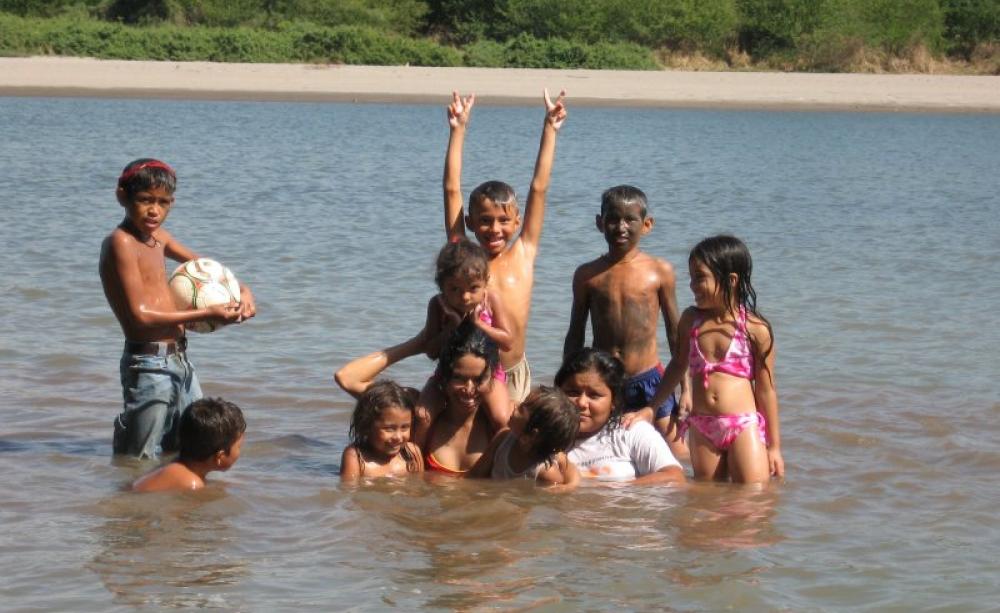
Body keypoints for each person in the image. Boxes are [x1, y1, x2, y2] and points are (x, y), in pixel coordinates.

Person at [99, 158, 256, 459]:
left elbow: (208, 268)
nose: (154, 210)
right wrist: (207, 315)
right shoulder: (120, 243)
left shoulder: (159, 238)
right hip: (147, 364)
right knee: (137, 458)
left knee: (192, 447)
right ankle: (130, 504)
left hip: (180, 361)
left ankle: (176, 505)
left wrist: (243, 290)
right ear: (122, 195)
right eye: (145, 200)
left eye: (163, 202)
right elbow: (140, 316)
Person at [442, 89, 567, 405]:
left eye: (502, 220)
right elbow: (451, 189)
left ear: (516, 222)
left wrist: (549, 129)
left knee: (509, 437)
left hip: (511, 371)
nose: (494, 229)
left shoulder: (524, 252)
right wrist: (458, 130)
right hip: (466, 370)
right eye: (484, 220)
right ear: (469, 222)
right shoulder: (463, 257)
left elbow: (539, 188)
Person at [643, 235, 784, 483]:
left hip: (743, 423)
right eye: (691, 277)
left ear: (730, 280)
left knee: (753, 496)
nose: (692, 286)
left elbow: (766, 390)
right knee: (707, 499)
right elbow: (678, 365)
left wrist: (774, 447)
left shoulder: (755, 329)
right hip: (703, 424)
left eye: (700, 277)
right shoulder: (691, 320)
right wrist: (652, 407)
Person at [563, 185, 689, 457]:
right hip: (605, 381)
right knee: (599, 448)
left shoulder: (660, 271)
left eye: (629, 219)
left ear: (647, 224)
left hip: (650, 378)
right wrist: (566, 385)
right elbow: (575, 333)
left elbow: (676, 334)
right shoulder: (587, 275)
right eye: (612, 218)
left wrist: (686, 388)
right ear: (600, 223)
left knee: (677, 451)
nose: (620, 226)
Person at [336, 321, 498, 478]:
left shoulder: (500, 424)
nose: (469, 389)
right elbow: (347, 377)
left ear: (491, 377)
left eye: (478, 379)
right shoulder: (416, 412)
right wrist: (418, 344)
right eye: (458, 378)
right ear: (443, 376)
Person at [420, 238, 513, 431]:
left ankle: (495, 458)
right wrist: (452, 327)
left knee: (501, 418)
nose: (465, 297)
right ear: (441, 286)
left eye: (473, 288)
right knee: (422, 417)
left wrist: (479, 324)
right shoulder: (438, 305)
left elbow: (507, 342)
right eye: (455, 289)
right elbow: (430, 351)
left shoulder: (491, 300)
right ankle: (417, 460)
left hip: (489, 375)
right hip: (446, 374)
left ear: (485, 283)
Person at [554, 348, 685, 485]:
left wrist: (612, 493)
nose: (581, 402)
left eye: (594, 395)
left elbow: (675, 477)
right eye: (573, 392)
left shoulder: (630, 431)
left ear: (614, 402)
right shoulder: (546, 439)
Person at [470, 386, 580, 490]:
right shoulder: (503, 438)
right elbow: (475, 475)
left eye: (521, 408)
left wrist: (569, 486)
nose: (515, 405)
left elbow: (555, 497)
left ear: (532, 435)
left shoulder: (547, 473)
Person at [132, 397, 246, 492]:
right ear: (220, 457)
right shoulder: (192, 484)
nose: (240, 451)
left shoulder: (175, 465)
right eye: (239, 447)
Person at [339, 380, 424, 480]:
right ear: (366, 426)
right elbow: (349, 490)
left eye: (405, 427)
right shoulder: (355, 457)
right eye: (389, 429)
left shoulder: (412, 452)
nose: (398, 437)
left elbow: (418, 488)